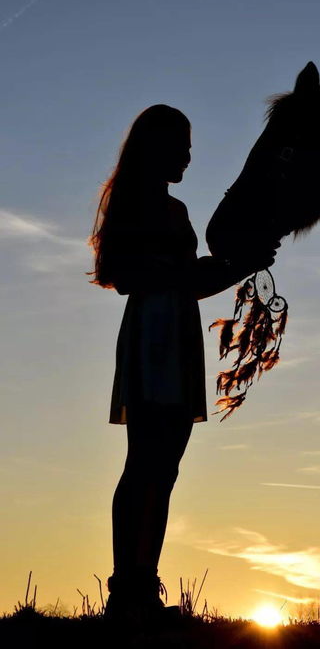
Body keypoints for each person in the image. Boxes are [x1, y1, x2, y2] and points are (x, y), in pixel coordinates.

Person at [87, 104, 276, 625]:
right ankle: (127, 588)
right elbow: (121, 273)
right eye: (181, 146)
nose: (190, 156)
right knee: (145, 462)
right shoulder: (134, 205)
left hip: (177, 330)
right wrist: (185, 272)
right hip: (152, 332)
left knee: (164, 467)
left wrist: (242, 264)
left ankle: (143, 585)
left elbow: (192, 283)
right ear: (158, 148)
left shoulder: (178, 211)